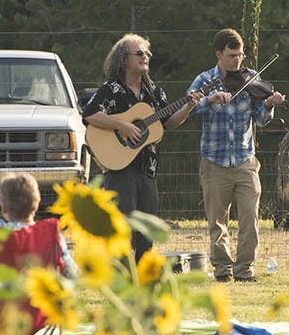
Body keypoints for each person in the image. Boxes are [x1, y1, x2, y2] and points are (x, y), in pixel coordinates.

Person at [83, 33, 202, 261]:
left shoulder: (154, 91)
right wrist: (123, 126)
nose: (145, 56)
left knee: (146, 228)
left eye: (147, 53)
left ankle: (144, 276)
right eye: (139, 53)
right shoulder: (112, 89)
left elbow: (168, 123)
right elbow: (89, 114)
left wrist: (188, 107)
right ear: (123, 59)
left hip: (148, 168)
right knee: (123, 226)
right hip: (120, 168)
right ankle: (122, 275)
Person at [187, 28, 285, 283]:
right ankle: (222, 270)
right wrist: (209, 99)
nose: (237, 61)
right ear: (219, 54)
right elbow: (189, 106)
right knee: (217, 221)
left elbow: (261, 119)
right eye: (231, 55)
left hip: (245, 159)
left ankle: (245, 270)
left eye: (240, 55)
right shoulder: (205, 79)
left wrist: (270, 105)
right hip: (214, 160)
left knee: (250, 219)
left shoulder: (252, 78)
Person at [0, 173, 78, 280]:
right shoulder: (52, 235)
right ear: (36, 205)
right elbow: (72, 275)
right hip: (37, 302)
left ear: (3, 206)